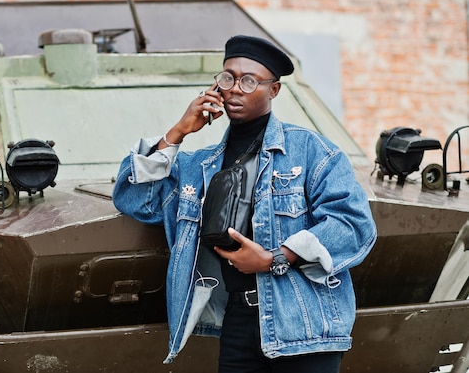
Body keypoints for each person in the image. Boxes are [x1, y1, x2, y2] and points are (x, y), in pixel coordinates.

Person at [112, 35, 377, 373]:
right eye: (228, 78)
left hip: (304, 325)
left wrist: (274, 258)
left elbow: (353, 225)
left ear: (274, 90)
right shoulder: (199, 166)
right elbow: (134, 199)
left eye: (250, 81)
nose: (235, 88)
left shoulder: (311, 151)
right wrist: (177, 132)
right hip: (238, 324)